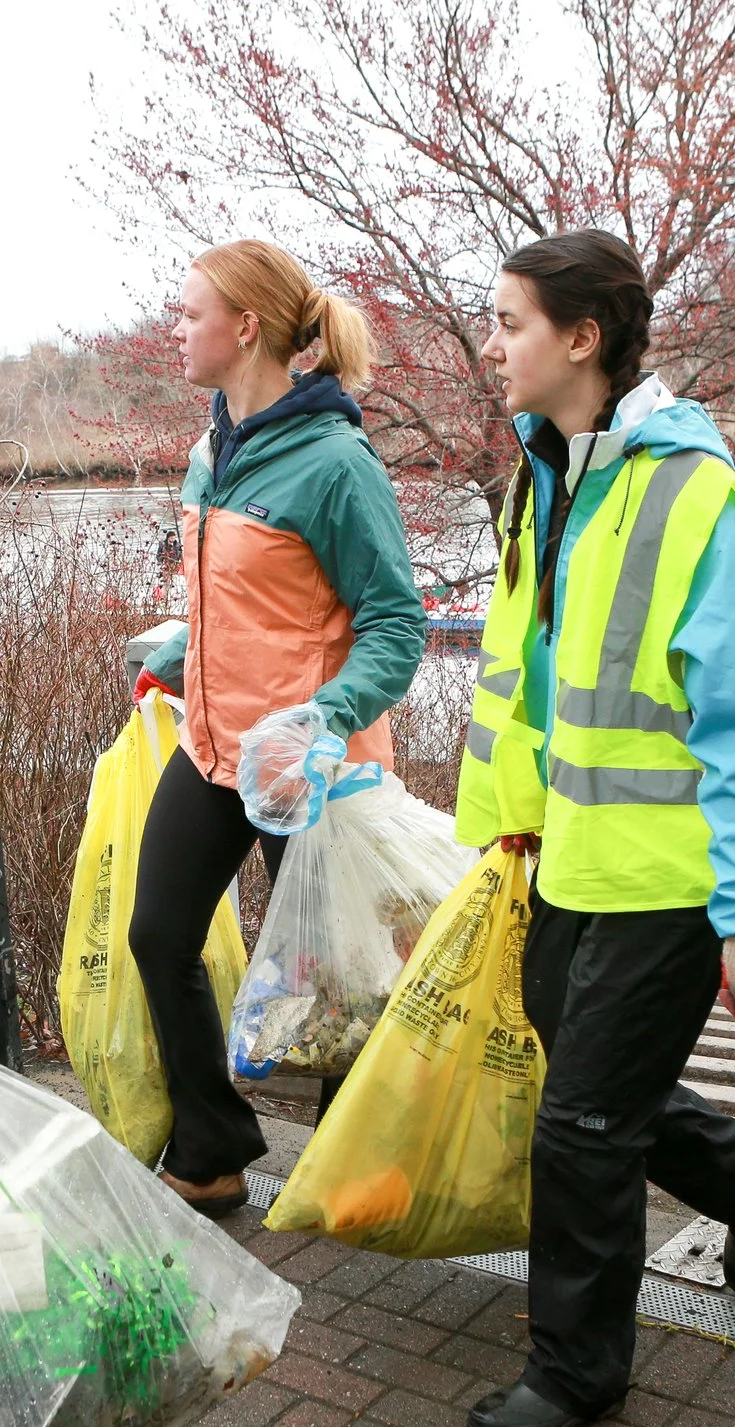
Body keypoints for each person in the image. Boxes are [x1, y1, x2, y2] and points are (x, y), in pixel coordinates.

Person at [454, 230, 735, 1427]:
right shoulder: (546, 482)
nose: (491, 344)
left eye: (509, 321)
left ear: (582, 338)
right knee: (591, 1085)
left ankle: (580, 1366)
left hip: (675, 878)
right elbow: (532, 686)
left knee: (583, 1124)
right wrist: (504, 831)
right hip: (572, 860)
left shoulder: (698, 500)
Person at [126, 240, 424, 1217]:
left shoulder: (336, 464)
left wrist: (326, 716)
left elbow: (394, 626)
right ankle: (212, 1145)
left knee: (336, 985)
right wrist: (180, 654)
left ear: (244, 326)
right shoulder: (214, 447)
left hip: (313, 770)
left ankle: (358, 1171)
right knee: (158, 934)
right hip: (215, 752)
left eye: (188, 311)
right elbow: (256, 603)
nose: (174, 327)